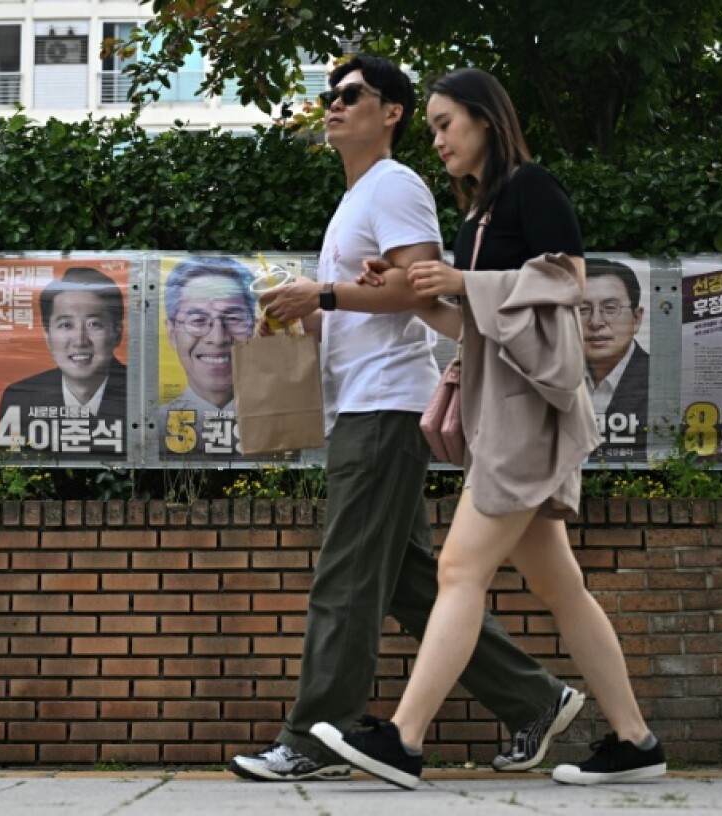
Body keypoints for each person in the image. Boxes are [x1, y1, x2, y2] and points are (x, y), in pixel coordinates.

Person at [307, 67, 666, 788]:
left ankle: (403, 740)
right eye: (433, 127)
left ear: (486, 120)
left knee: (458, 569)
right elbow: (469, 321)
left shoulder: (531, 188)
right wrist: (411, 294)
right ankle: (636, 741)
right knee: (561, 586)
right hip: (503, 411)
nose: (437, 140)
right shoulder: (476, 215)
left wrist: (463, 282)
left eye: (446, 124)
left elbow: (568, 279)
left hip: (526, 415)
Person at [229, 56, 584, 784]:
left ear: (389, 112)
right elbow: (404, 294)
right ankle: (535, 699)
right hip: (365, 401)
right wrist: (315, 308)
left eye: (350, 95)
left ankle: (313, 740)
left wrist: (322, 296)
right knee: (405, 582)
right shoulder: (357, 197)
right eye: (328, 96)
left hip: (385, 403)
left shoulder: (394, 184)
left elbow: (418, 285)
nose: (332, 106)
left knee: (348, 575)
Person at [0, 267, 128, 456]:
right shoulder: (20, 398)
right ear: (47, 335)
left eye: (94, 324)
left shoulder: (143, 395)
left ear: (117, 332)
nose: (80, 340)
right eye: (66, 325)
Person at [159, 256, 257, 457]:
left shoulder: (282, 420)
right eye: (197, 320)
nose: (218, 338)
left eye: (234, 319)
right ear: (171, 332)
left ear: (254, 327)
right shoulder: (153, 423)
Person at [583, 260, 649, 459]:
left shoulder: (661, 380)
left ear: (636, 319)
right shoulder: (551, 376)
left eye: (610, 308)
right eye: (582, 309)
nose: (595, 322)